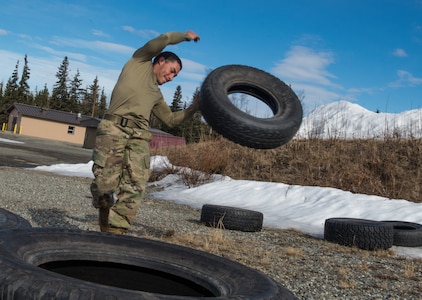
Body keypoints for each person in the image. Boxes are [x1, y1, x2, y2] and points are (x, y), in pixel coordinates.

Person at [90, 30, 201, 234]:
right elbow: (164, 40)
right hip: (113, 129)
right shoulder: (139, 62)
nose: (171, 77)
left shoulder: (156, 95)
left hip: (139, 135)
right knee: (104, 186)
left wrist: (194, 108)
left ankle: (116, 232)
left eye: (176, 75)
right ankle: (104, 212)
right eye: (172, 70)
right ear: (160, 61)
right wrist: (185, 36)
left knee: (136, 183)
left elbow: (170, 120)